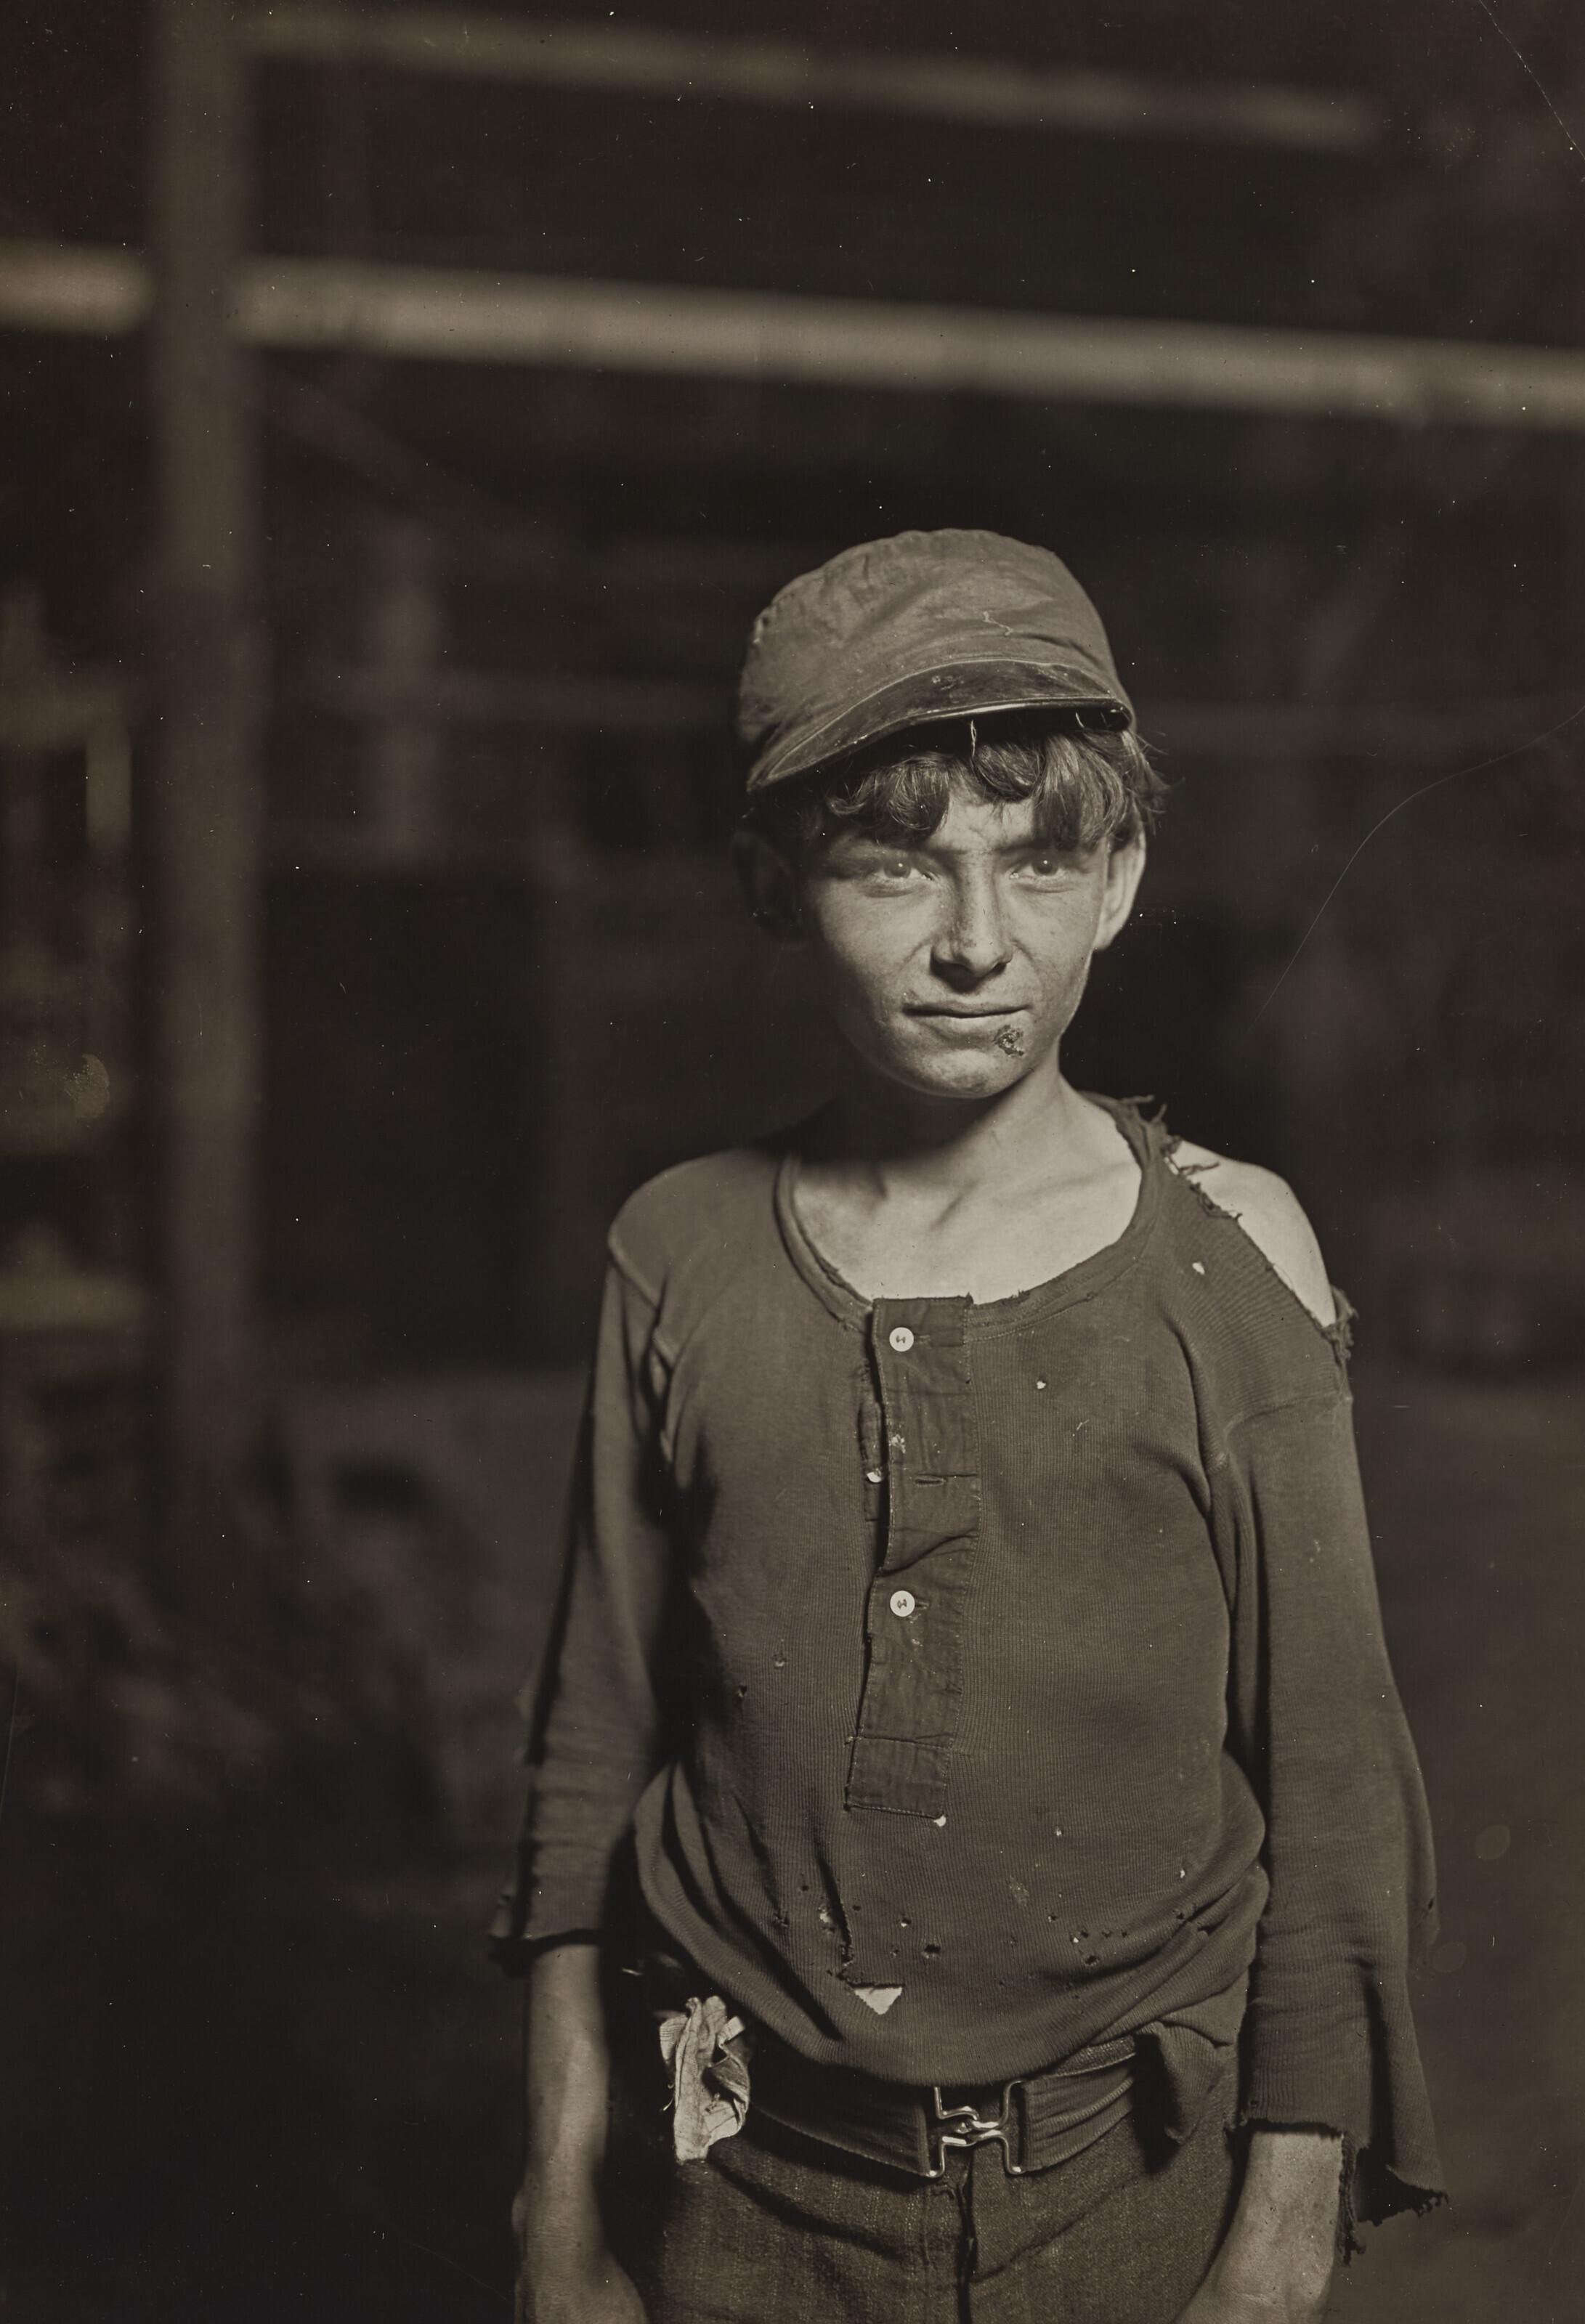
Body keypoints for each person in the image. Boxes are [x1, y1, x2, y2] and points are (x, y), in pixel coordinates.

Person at [496, 531, 1443, 2324]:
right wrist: (555, 2199)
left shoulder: (1230, 1253)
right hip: (744, 2192)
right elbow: (586, 1750)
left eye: (1038, 858)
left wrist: (1276, 2237)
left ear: (1123, 877)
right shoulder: (678, 1248)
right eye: (894, 866)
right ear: (774, 883)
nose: (973, 943)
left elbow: (1331, 1781)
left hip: (1126, 2187)